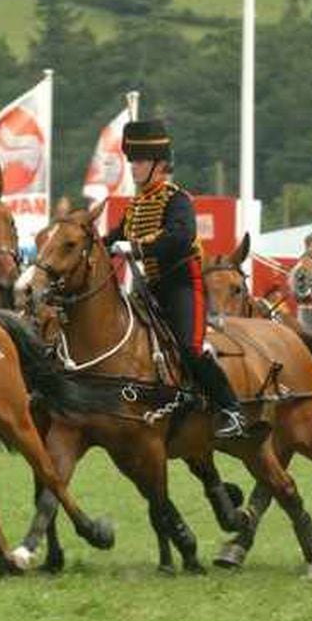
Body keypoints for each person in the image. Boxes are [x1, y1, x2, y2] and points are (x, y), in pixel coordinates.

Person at [105, 119, 246, 438]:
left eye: (139, 161)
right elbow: (110, 238)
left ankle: (231, 409)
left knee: (190, 346)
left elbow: (181, 237)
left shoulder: (176, 199)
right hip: (149, 288)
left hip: (181, 285)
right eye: (132, 161)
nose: (133, 167)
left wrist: (137, 247)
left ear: (158, 164)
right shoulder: (136, 206)